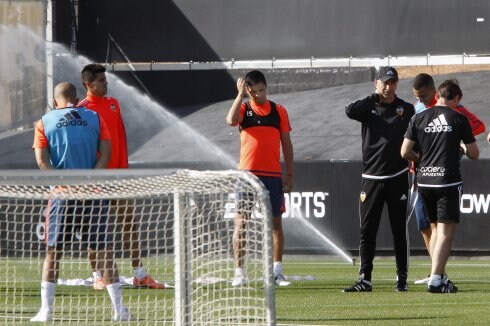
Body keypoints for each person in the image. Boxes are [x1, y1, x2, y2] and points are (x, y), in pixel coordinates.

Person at [31, 82, 133, 322]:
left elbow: (42, 163)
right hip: (93, 193)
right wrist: (87, 181)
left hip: (61, 195)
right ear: (76, 98)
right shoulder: (95, 118)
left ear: (56, 100)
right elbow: (106, 155)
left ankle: (45, 311)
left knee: (53, 253)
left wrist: (66, 183)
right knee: (105, 252)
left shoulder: (44, 122)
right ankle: (120, 310)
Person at [78, 63, 164, 289]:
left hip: (119, 177)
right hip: (97, 179)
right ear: (88, 84)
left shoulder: (113, 104)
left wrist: (124, 170)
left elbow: (121, 138)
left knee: (129, 222)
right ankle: (97, 275)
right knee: (95, 229)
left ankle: (139, 273)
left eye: (106, 80)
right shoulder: (82, 109)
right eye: (102, 81)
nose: (106, 84)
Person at [401, 79, 479, 293]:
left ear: (437, 96)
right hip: (448, 181)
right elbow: (474, 154)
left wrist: (423, 161)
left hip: (424, 181)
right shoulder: (459, 118)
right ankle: (436, 280)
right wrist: (461, 147)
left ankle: (439, 275)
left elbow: (405, 152)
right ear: (456, 98)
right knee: (445, 232)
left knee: (434, 229)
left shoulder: (418, 117)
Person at [344, 67, 414, 292]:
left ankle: (401, 279)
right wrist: (373, 98)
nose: (388, 86)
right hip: (371, 177)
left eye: (392, 82)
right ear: (376, 83)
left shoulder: (407, 108)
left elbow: (416, 138)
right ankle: (365, 279)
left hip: (398, 177)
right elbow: (349, 111)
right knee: (367, 230)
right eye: (384, 82)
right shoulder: (368, 107)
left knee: (398, 230)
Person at [226, 70, 294, 287]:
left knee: (276, 224)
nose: (259, 95)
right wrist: (239, 96)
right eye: (254, 91)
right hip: (247, 175)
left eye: (262, 90)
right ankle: (239, 273)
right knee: (241, 223)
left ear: (267, 87)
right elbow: (230, 120)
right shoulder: (244, 109)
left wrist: (289, 174)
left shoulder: (279, 111)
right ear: (247, 90)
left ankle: (277, 272)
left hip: (273, 175)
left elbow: (287, 143)